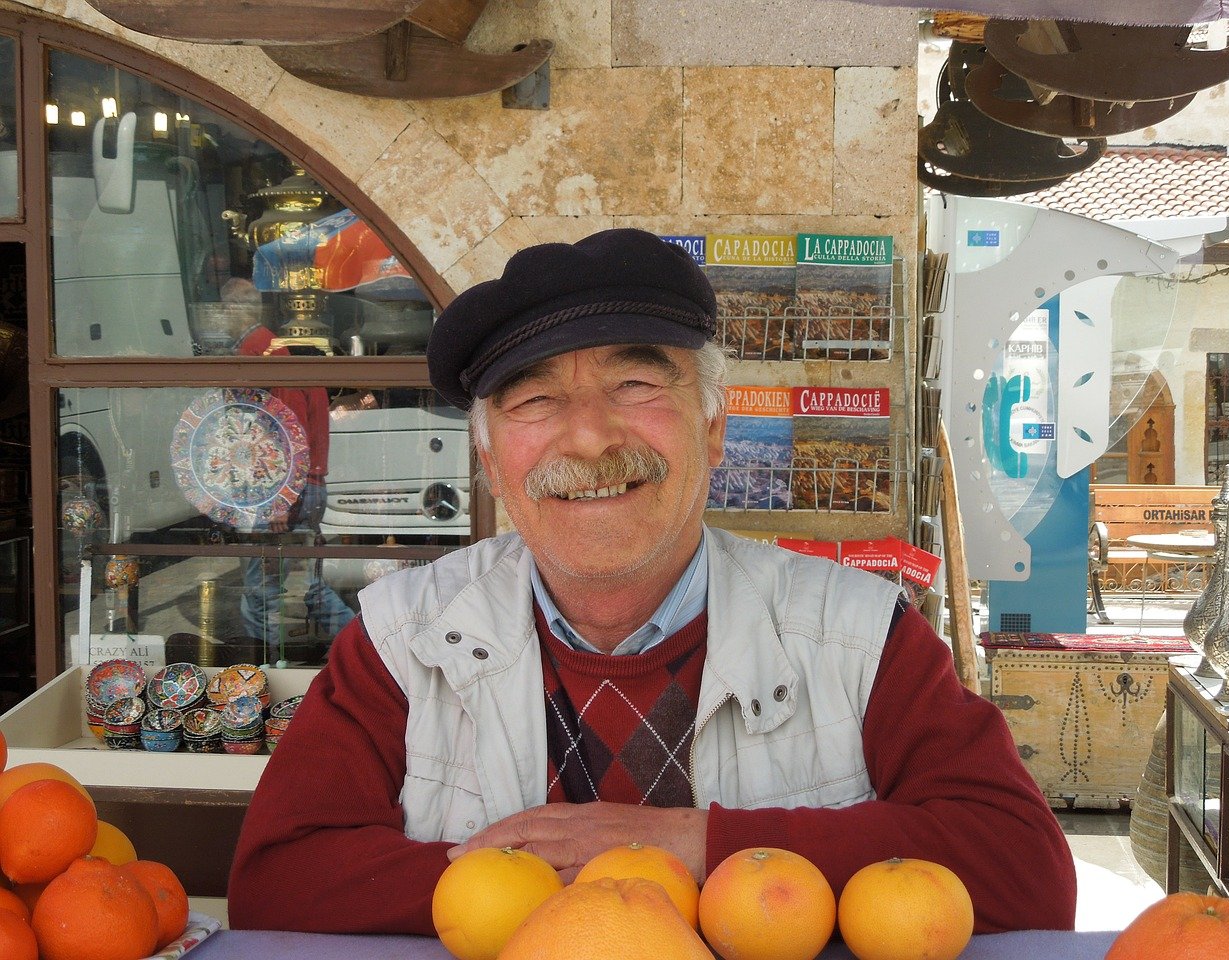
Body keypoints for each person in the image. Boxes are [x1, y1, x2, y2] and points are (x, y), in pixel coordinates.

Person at [228, 228, 1076, 934]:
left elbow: (1023, 869)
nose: (590, 438)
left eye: (634, 384)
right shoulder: (399, 640)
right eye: (534, 400)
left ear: (713, 429)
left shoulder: (858, 633)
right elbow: (278, 880)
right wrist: (582, 889)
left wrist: (690, 845)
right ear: (489, 462)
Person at [235, 315, 354, 662]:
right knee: (308, 586)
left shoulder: (285, 381)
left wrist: (280, 502)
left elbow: (291, 442)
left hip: (289, 492)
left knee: (261, 592)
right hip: (307, 489)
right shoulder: (305, 378)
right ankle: (366, 645)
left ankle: (264, 666)